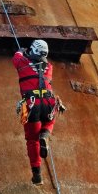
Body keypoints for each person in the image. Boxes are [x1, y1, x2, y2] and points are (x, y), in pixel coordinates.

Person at [12, 39, 64, 185]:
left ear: (33, 50)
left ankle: (37, 175)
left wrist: (22, 51)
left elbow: (16, 57)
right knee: (50, 121)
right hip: (49, 103)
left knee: (32, 139)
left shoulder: (22, 63)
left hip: (32, 104)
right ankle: (46, 134)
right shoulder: (49, 67)